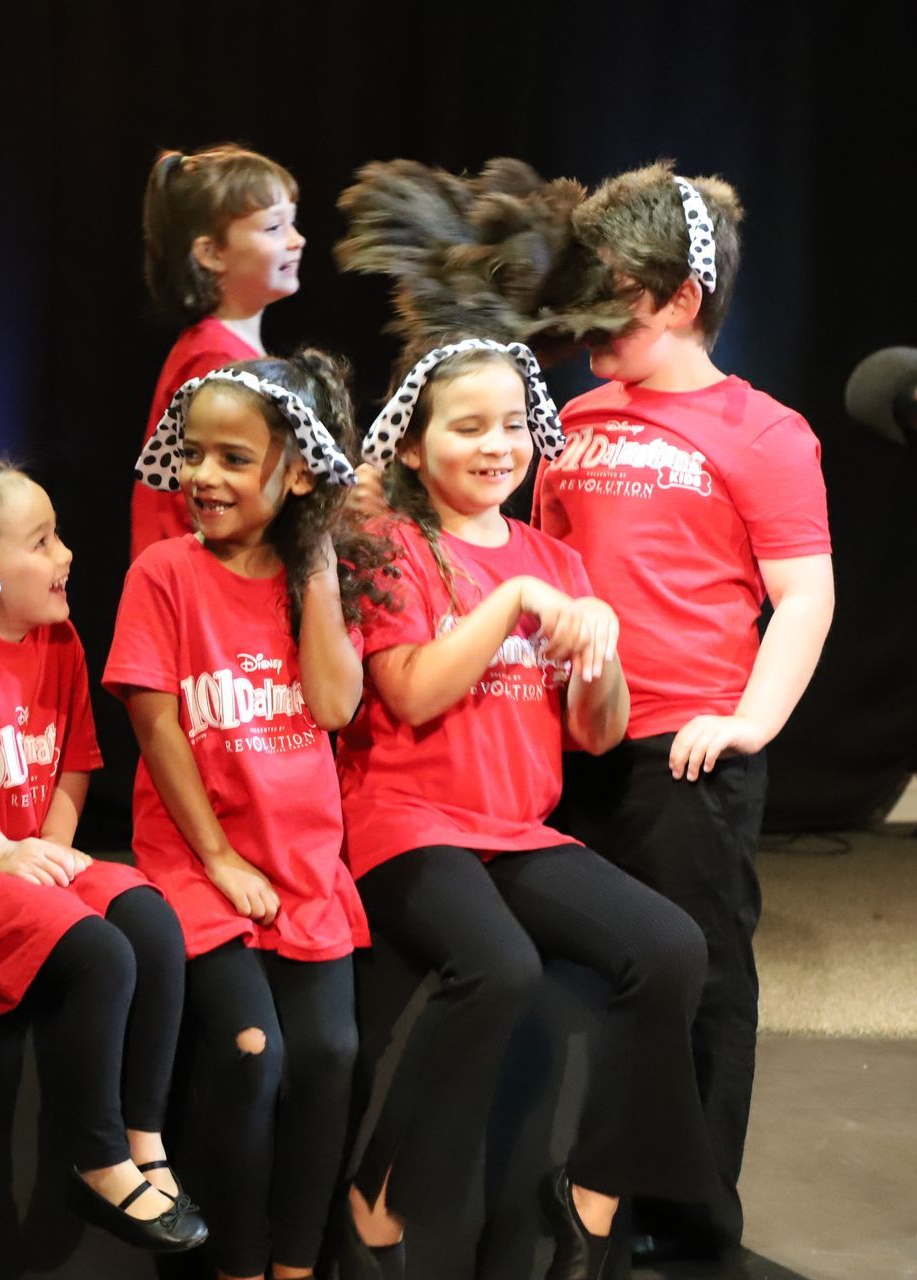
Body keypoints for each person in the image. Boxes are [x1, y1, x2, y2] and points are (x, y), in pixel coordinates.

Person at [333, 338, 713, 1280]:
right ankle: (373, 1199)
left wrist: (601, 657)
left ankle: (588, 1192)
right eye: (469, 427)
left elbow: (596, 730)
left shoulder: (553, 558)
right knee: (496, 967)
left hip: (516, 830)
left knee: (672, 948)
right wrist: (510, 604)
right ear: (415, 449)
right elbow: (411, 693)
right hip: (407, 821)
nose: (498, 445)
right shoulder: (391, 550)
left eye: (512, 425)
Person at [537, 163, 836, 1262]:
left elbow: (806, 595)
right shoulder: (573, 416)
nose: (581, 318)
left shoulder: (763, 432)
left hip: (687, 750)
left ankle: (694, 1216)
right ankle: (585, 1194)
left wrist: (747, 722)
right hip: (573, 742)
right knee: (588, 976)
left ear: (678, 299)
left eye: (606, 292)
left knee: (702, 977)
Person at [0, 461, 207, 1252]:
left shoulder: (59, 643)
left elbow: (77, 763)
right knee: (100, 956)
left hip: (26, 856)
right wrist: (5, 854)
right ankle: (95, 1164)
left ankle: (143, 1136)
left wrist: (54, 854)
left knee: (153, 925)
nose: (66, 556)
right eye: (41, 541)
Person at [109, 351, 386, 1280]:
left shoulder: (314, 570)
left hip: (302, 865)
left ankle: (296, 1269)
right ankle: (238, 1267)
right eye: (195, 455)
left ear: (296, 470)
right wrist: (221, 858)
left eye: (235, 459)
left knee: (333, 1054)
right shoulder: (164, 573)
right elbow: (156, 725)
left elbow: (337, 704)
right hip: (203, 861)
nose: (202, 478)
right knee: (249, 1051)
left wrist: (311, 553)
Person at [132, 144, 306, 559]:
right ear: (210, 253)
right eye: (273, 229)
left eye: (293, 223)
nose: (297, 240)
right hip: (200, 585)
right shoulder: (214, 360)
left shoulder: (230, 350)